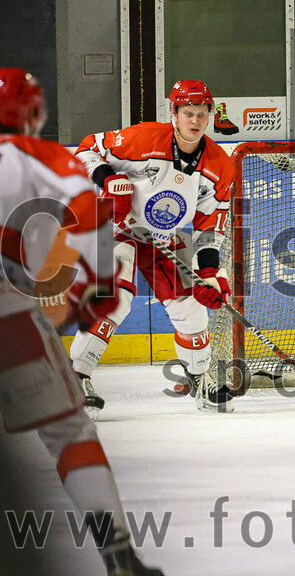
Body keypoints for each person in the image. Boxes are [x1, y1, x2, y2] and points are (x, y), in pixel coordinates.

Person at [0, 68, 162, 574]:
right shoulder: (43, 159)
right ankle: (119, 557)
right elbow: (91, 217)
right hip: (12, 321)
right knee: (71, 434)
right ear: (35, 112)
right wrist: (93, 298)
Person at [69, 79, 236, 414]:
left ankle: (198, 377)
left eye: (202, 114)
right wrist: (107, 177)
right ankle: (76, 378)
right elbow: (87, 149)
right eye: (188, 113)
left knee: (190, 307)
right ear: (173, 113)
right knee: (114, 301)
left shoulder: (219, 165)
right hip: (116, 227)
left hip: (165, 236)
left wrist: (208, 273)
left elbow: (208, 227)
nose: (195, 121)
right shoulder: (142, 138)